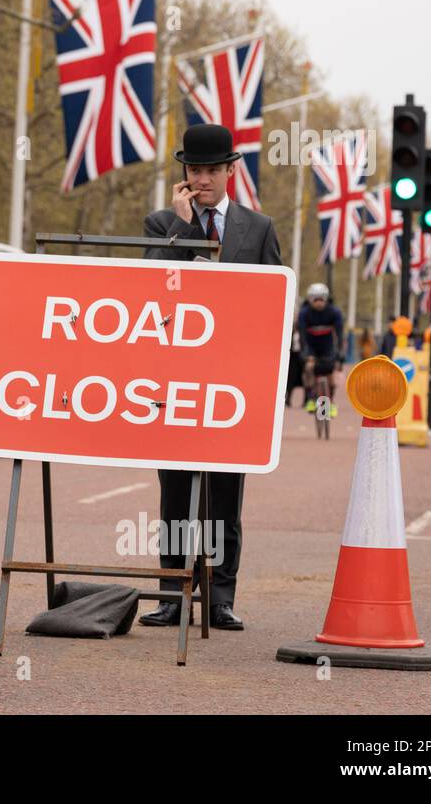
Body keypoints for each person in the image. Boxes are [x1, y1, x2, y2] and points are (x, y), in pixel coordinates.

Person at [138, 123, 283, 632]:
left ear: (229, 171)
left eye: (211, 170)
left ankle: (220, 596)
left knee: (225, 494)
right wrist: (180, 230)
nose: (202, 179)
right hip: (175, 381)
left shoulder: (258, 228)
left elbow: (275, 308)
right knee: (175, 493)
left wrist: (271, 383)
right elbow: (152, 286)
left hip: (232, 383)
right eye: (194, 170)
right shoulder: (161, 223)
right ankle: (172, 595)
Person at [297, 283, 344, 417]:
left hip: (327, 346)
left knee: (331, 375)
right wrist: (305, 353)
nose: (318, 303)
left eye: (321, 299)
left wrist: (340, 352)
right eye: (315, 299)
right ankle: (311, 397)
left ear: (326, 299)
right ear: (310, 299)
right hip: (310, 345)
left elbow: (340, 334)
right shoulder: (304, 313)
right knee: (309, 368)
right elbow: (302, 335)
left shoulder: (334, 312)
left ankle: (331, 403)